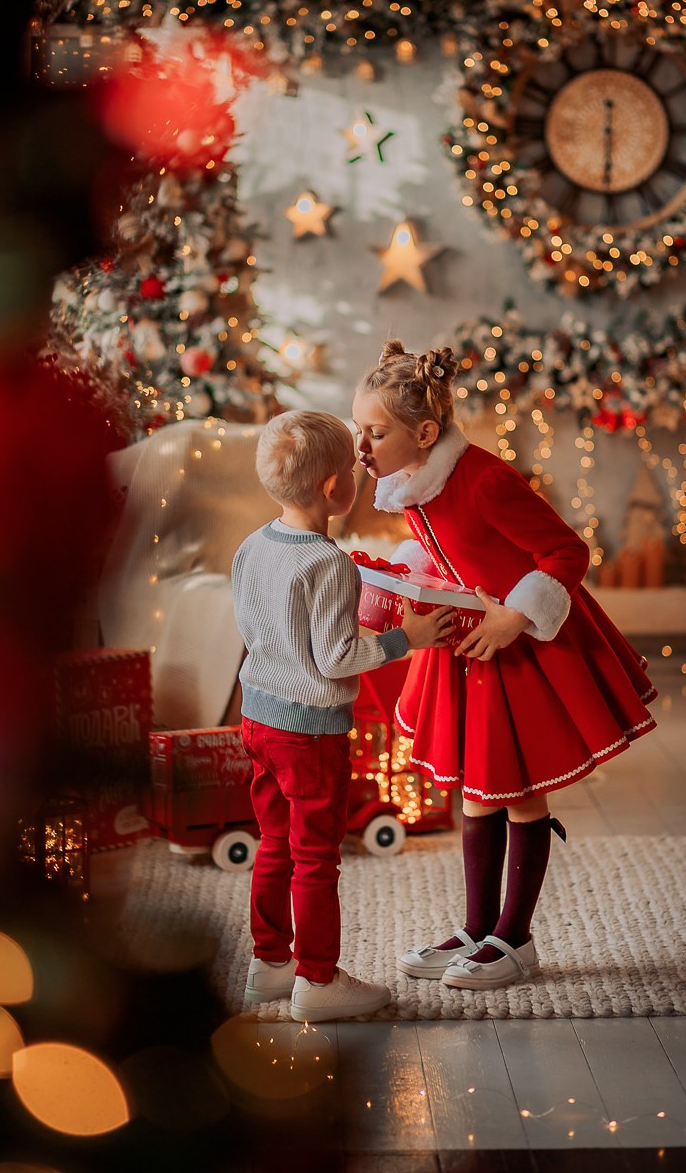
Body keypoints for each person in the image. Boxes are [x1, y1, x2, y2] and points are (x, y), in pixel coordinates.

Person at [353, 340, 658, 990]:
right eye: (360, 430)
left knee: (517, 793)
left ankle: (515, 938)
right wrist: (409, 584)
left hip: (518, 648)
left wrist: (516, 616)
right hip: (467, 646)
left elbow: (566, 553)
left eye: (375, 432)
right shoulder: (412, 485)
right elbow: (451, 553)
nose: (364, 446)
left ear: (425, 433)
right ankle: (476, 926)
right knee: (477, 791)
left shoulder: (487, 480)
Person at [232, 409, 454, 1022]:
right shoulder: (329, 564)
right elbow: (335, 658)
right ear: (334, 490)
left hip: (258, 718)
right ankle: (318, 981)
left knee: (274, 843)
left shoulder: (253, 546)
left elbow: (255, 631)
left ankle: (270, 964)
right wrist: (403, 638)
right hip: (309, 731)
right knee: (316, 857)